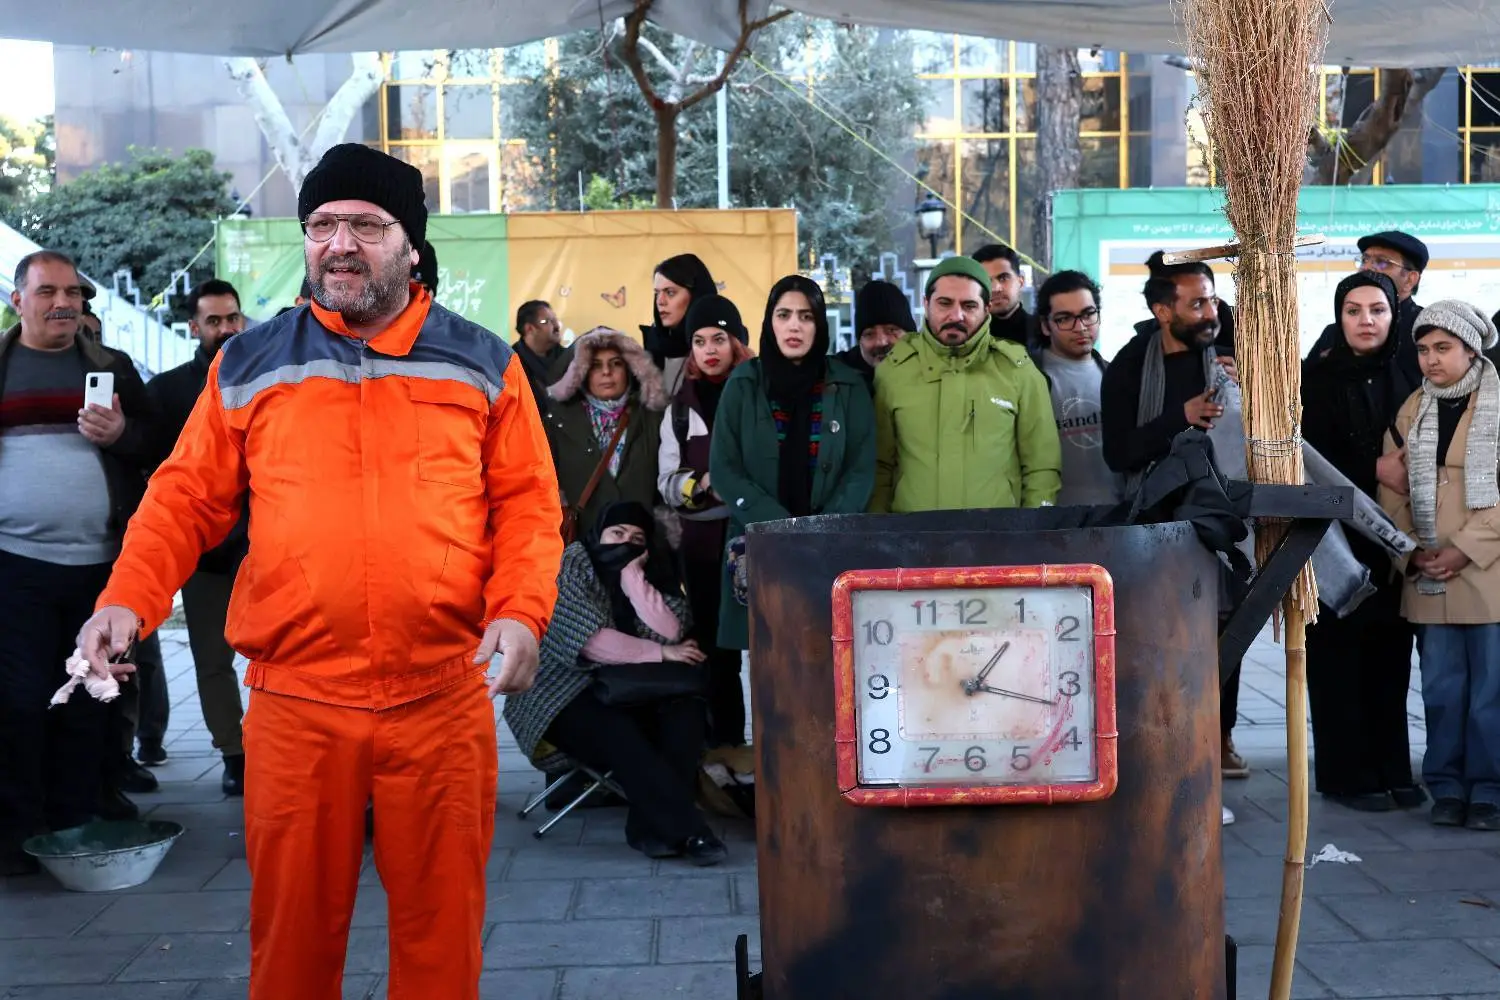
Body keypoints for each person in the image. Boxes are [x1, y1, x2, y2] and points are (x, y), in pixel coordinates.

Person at [74, 143, 563, 998]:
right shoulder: (247, 363)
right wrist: (126, 600)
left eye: (366, 226)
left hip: (442, 698)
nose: (340, 244)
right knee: (292, 943)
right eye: (322, 225)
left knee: (442, 940)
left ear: (410, 244)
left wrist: (521, 612)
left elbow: (526, 507)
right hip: (296, 703)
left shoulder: (485, 363)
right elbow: (183, 499)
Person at [0, 250, 158, 875]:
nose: (64, 302)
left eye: (73, 292)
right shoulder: (2, 366)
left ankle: (76, 821)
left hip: (102, 568)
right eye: (48, 292)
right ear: (18, 300)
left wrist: (121, 435)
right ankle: (19, 831)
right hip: (15, 565)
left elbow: (162, 448)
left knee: (92, 697)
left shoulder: (111, 367)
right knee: (19, 700)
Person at [503, 500, 729, 863]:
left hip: (633, 689)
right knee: (620, 734)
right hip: (561, 692)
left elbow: (670, 631)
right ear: (599, 534)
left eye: (637, 538)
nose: (626, 543)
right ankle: (691, 832)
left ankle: (648, 829)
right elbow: (591, 643)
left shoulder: (655, 569)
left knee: (685, 714)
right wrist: (661, 654)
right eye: (617, 533)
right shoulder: (572, 565)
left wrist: (633, 578)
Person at [1100, 250, 1247, 787]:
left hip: (1224, 518)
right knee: (1158, 636)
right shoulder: (1129, 365)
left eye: (1213, 300)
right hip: (1155, 527)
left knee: (1226, 628)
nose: (1211, 313)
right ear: (1163, 312)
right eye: (1197, 304)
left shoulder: (1234, 351)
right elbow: (1119, 453)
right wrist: (1178, 419)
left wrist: (1248, 387)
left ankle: (1220, 735)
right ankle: (1159, 737)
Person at [1302, 272, 1423, 812]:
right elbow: (1303, 460)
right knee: (1338, 656)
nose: (1366, 321)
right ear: (1339, 316)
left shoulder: (1410, 377)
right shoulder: (1313, 380)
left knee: (1391, 657)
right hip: (1331, 538)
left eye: (1377, 310)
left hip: (1392, 537)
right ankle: (1346, 775)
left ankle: (1392, 767)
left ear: (1395, 316)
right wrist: (1371, 468)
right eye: (1353, 311)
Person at [1381, 301, 1500, 831]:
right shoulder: (1413, 408)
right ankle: (1447, 788)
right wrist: (1410, 550)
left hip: (1488, 571)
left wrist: (1464, 549)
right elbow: (1391, 489)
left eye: (1443, 348)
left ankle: (1489, 791)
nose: (1431, 359)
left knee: (1490, 694)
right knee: (1442, 691)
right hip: (1429, 571)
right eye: (1424, 349)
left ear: (1471, 349)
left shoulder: (1498, 403)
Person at [710, 275, 876, 650]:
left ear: (820, 324)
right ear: (770, 322)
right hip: (760, 546)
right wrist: (779, 527)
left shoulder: (848, 386)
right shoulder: (744, 383)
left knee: (829, 656)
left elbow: (861, 469)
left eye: (806, 316)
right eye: (783, 315)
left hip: (829, 550)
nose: (794, 326)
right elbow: (724, 468)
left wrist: (819, 531)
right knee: (764, 663)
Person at [142, 278, 250, 795]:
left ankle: (294, 749)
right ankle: (234, 753)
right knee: (212, 660)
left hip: (272, 551)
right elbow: (156, 470)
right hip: (207, 556)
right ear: (193, 327)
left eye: (232, 318)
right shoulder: (167, 392)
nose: (226, 328)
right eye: (214, 321)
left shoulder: (271, 377)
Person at [870, 255, 1060, 514]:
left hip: (997, 535)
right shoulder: (894, 372)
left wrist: (1031, 529)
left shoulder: (1018, 371)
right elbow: (879, 466)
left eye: (969, 305)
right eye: (945, 303)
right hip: (912, 535)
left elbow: (1042, 466)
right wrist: (879, 531)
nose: (956, 315)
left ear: (986, 309)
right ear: (926, 304)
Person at [658, 294, 755, 746]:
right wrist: (701, 485)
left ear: (737, 342)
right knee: (717, 652)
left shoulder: (759, 393)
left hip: (756, 540)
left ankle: (777, 751)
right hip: (701, 543)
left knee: (770, 646)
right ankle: (726, 747)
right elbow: (665, 480)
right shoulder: (680, 407)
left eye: (718, 338)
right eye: (699, 341)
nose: (709, 350)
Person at [545, 328, 668, 541]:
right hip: (584, 543)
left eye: (616, 363)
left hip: (642, 542)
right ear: (581, 372)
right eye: (595, 365)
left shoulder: (653, 418)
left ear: (630, 368)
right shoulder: (557, 423)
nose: (606, 372)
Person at [1033, 270, 1119, 507]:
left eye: (1088, 314)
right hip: (1051, 517)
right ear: (1045, 325)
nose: (1080, 327)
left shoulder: (1117, 375)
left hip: (1117, 514)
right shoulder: (1029, 379)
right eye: (1064, 319)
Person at [1309, 231, 1428, 384]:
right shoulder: (1333, 333)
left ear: (1410, 280)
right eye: (1364, 260)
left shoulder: (1427, 331)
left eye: (1382, 262)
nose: (1366, 268)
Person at [642, 253, 718, 395]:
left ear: (695, 296)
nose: (660, 301)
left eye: (670, 293)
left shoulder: (723, 352)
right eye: (657, 293)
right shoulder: (648, 354)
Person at [834, 279, 916, 392]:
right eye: (869, 334)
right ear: (859, 342)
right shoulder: (836, 381)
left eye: (891, 330)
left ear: (910, 335)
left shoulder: (933, 372)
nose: (881, 342)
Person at [513, 299, 571, 412]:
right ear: (529, 329)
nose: (557, 326)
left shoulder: (570, 358)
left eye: (555, 320)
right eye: (547, 321)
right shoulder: (510, 363)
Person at [972, 243, 1031, 348]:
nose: (995, 288)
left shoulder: (1043, 334)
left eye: (1003, 278)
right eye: (986, 281)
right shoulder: (969, 337)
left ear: (1021, 281)